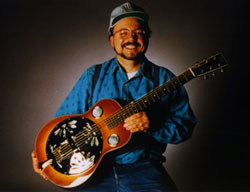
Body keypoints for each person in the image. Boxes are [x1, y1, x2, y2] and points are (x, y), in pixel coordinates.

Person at [31, 2, 196, 192]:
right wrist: (44, 156)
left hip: (144, 169)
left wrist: (152, 126)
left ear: (147, 37)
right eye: (122, 33)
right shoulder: (93, 76)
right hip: (94, 173)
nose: (130, 38)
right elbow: (61, 123)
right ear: (112, 40)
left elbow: (185, 126)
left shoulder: (165, 79)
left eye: (138, 32)